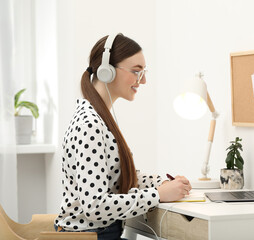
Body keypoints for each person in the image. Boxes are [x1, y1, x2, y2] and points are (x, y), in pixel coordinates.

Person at [54, 33, 192, 239]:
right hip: (91, 235)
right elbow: (95, 205)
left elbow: (117, 178)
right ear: (106, 72)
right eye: (137, 71)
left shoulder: (100, 117)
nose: (143, 80)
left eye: (144, 72)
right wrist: (157, 195)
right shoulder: (89, 125)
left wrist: (162, 182)